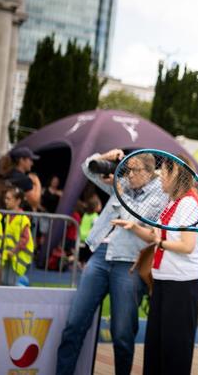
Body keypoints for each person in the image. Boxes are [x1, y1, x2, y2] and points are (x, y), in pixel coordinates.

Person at [56, 149, 164, 375]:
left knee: (122, 334)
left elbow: (133, 219)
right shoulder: (122, 182)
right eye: (127, 168)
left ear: (149, 172)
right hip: (100, 255)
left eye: (133, 170)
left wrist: (120, 190)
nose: (129, 174)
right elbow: (87, 168)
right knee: (74, 324)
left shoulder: (159, 194)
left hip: (129, 262)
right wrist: (105, 158)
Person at [113, 153, 198, 375]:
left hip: (182, 284)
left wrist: (159, 242)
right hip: (163, 281)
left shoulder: (190, 202)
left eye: (164, 172)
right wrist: (133, 227)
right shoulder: (172, 202)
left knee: (175, 350)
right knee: (156, 347)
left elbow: (186, 245)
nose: (160, 177)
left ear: (176, 173)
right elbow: (154, 235)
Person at [0, 186, 34, 285]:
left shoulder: (23, 218)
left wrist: (14, 250)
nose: (6, 201)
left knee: (12, 285)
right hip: (9, 256)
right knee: (5, 282)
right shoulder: (8, 215)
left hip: (18, 257)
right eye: (5, 198)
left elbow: (25, 239)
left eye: (8, 199)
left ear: (18, 201)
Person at [78, 194, 102, 266]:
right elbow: (97, 227)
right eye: (99, 204)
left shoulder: (85, 214)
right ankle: (85, 264)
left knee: (82, 252)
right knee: (88, 254)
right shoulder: (95, 216)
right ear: (95, 207)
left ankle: (81, 262)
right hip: (89, 238)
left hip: (81, 236)